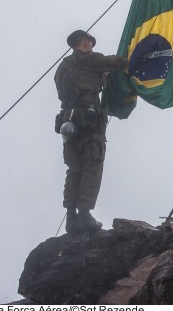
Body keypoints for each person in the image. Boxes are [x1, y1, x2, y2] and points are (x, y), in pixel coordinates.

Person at [54, 30, 128, 233]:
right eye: (87, 41)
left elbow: (75, 87)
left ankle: (71, 217)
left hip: (68, 122)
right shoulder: (90, 60)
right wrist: (134, 56)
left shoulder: (62, 67)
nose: (89, 44)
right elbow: (118, 62)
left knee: (74, 169)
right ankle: (84, 214)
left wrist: (99, 80)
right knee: (92, 166)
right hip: (89, 120)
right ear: (83, 44)